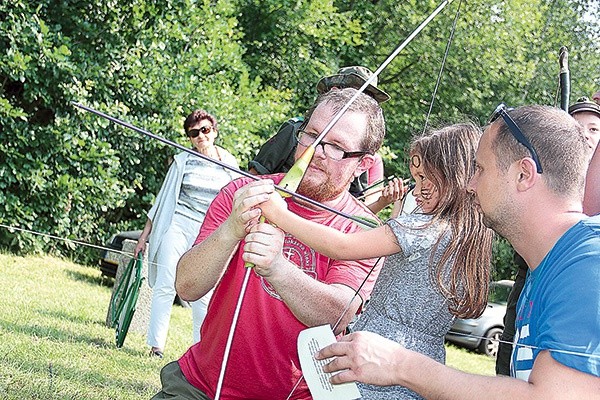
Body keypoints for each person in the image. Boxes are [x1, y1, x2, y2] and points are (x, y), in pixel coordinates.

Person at [314, 105, 600, 399]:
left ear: (523, 175)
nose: (470, 184)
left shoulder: (586, 263)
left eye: (480, 169)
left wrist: (400, 364)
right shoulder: (551, 267)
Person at [151, 88, 386, 399]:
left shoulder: (363, 230)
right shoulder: (243, 192)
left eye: (336, 147)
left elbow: (338, 314)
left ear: (362, 164)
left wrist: (277, 267)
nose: (315, 150)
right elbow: (187, 286)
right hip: (202, 386)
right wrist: (231, 230)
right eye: (311, 135)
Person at [256, 123, 494, 399]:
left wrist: (279, 214)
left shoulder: (423, 228)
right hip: (422, 366)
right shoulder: (464, 233)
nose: (416, 191)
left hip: (377, 360)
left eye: (424, 179)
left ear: (454, 177)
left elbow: (342, 246)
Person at [496, 97, 600, 374]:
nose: (586, 136)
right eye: (578, 128)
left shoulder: (588, 253)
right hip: (530, 284)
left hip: (569, 286)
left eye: (594, 129)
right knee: (511, 363)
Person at [134, 109, 238, 358]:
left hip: (208, 232)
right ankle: (156, 346)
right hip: (179, 225)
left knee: (203, 293)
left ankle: (199, 350)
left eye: (205, 130)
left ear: (214, 132)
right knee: (166, 284)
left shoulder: (229, 163)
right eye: (194, 133)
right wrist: (144, 236)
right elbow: (162, 201)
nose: (201, 136)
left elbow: (236, 201)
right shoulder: (182, 161)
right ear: (189, 138)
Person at [248, 66, 400, 212]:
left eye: (367, 98)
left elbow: (355, 207)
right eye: (352, 92)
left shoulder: (358, 152)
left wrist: (383, 201)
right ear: (334, 91)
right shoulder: (295, 129)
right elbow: (255, 175)